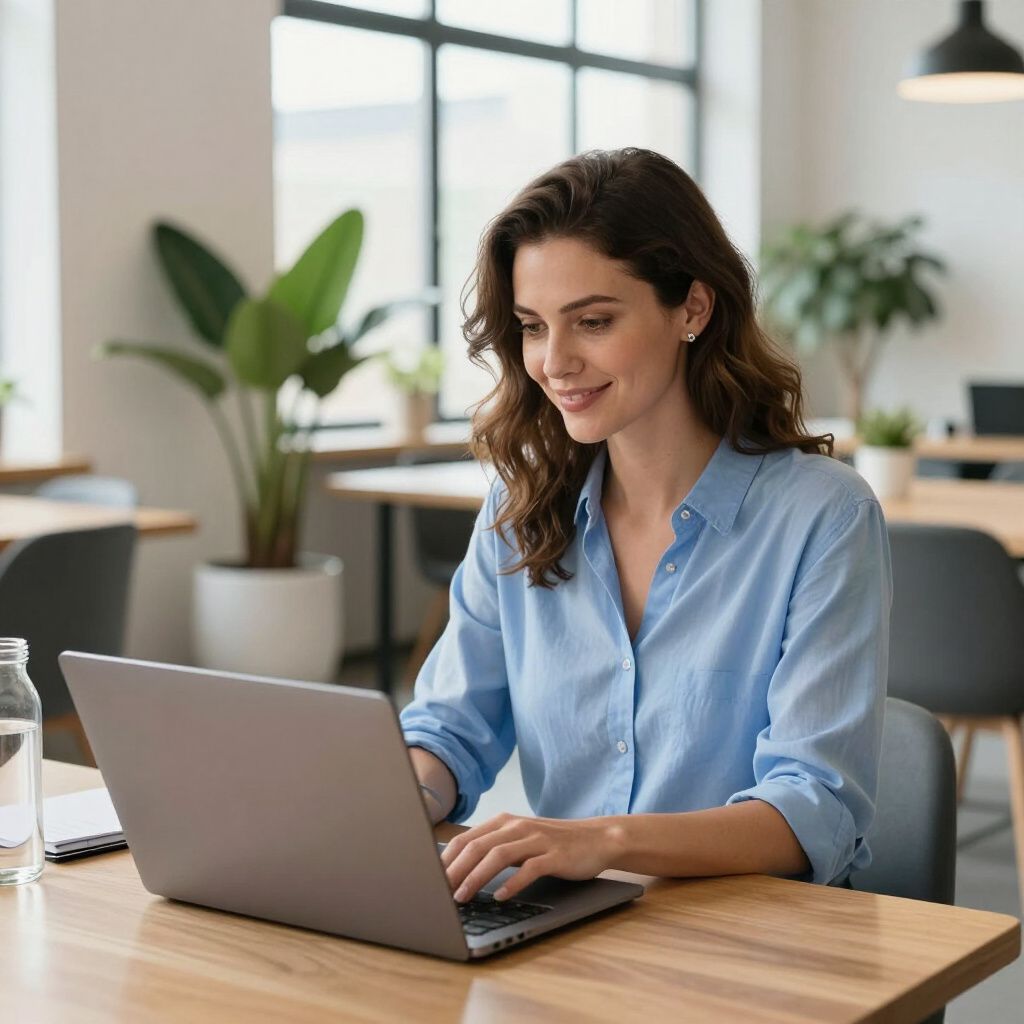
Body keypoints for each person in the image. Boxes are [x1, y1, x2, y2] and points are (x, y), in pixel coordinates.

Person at [400, 148, 891, 906]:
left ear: (692, 309)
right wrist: (398, 795)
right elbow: (449, 729)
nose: (554, 362)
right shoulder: (518, 507)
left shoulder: (822, 516)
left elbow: (813, 807)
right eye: (533, 327)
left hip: (759, 937)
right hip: (568, 926)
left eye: (592, 321)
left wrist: (604, 840)